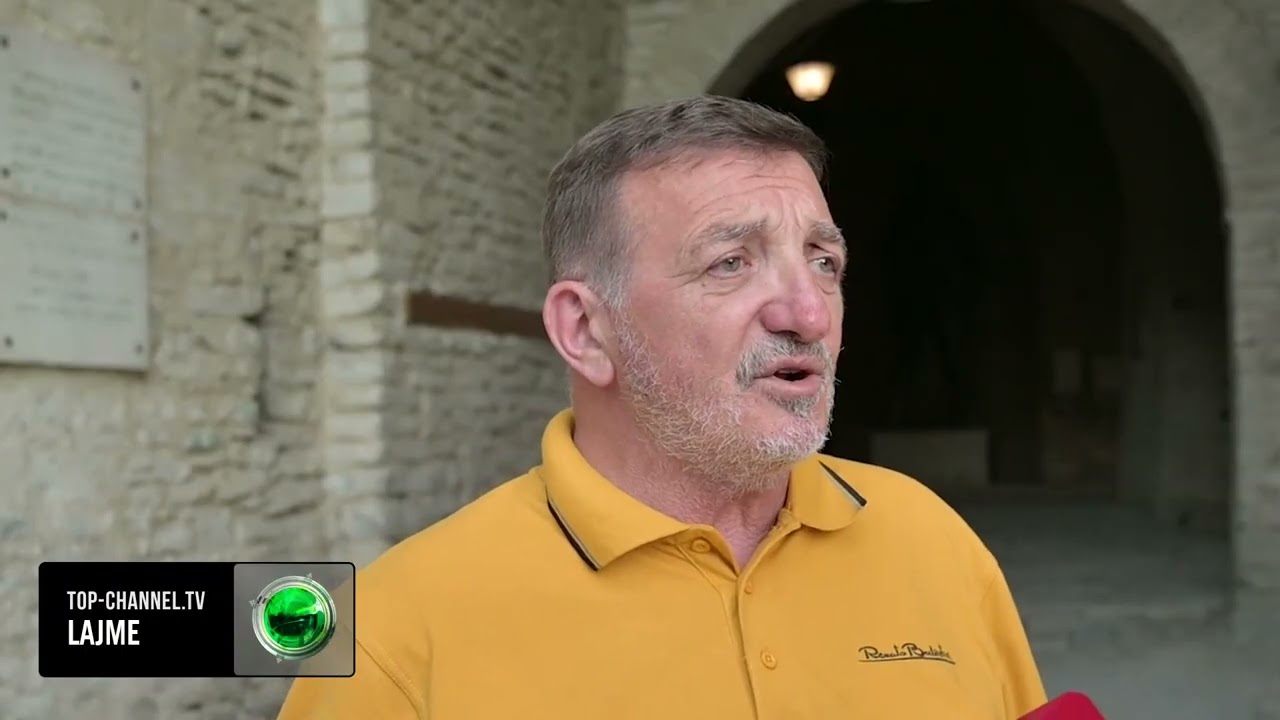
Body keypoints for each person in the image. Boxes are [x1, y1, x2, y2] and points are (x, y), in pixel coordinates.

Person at [277, 95, 1047, 719]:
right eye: (730, 263)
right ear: (586, 330)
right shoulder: (392, 633)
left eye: (824, 261)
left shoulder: (934, 542)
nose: (810, 313)